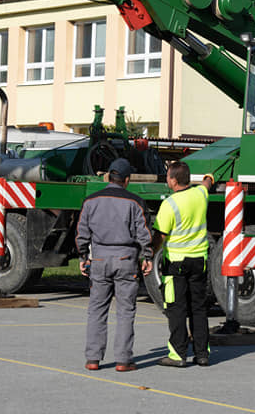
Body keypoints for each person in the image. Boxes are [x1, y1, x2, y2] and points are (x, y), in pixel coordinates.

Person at [75, 158, 153, 373]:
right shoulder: (135, 202)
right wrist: (147, 256)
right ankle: (123, 360)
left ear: (108, 177)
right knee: (126, 311)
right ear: (126, 180)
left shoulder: (91, 201)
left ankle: (93, 359)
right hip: (126, 259)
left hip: (99, 258)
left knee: (96, 310)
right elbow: (144, 233)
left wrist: (83, 256)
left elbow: (82, 232)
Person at [152, 161, 213, 368]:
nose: (167, 179)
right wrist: (210, 177)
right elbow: (206, 184)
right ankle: (202, 354)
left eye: (168, 176)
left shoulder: (169, 204)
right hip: (199, 261)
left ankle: (178, 354)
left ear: (174, 181)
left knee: (176, 309)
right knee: (198, 307)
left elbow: (160, 235)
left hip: (176, 263)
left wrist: (148, 255)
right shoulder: (200, 195)